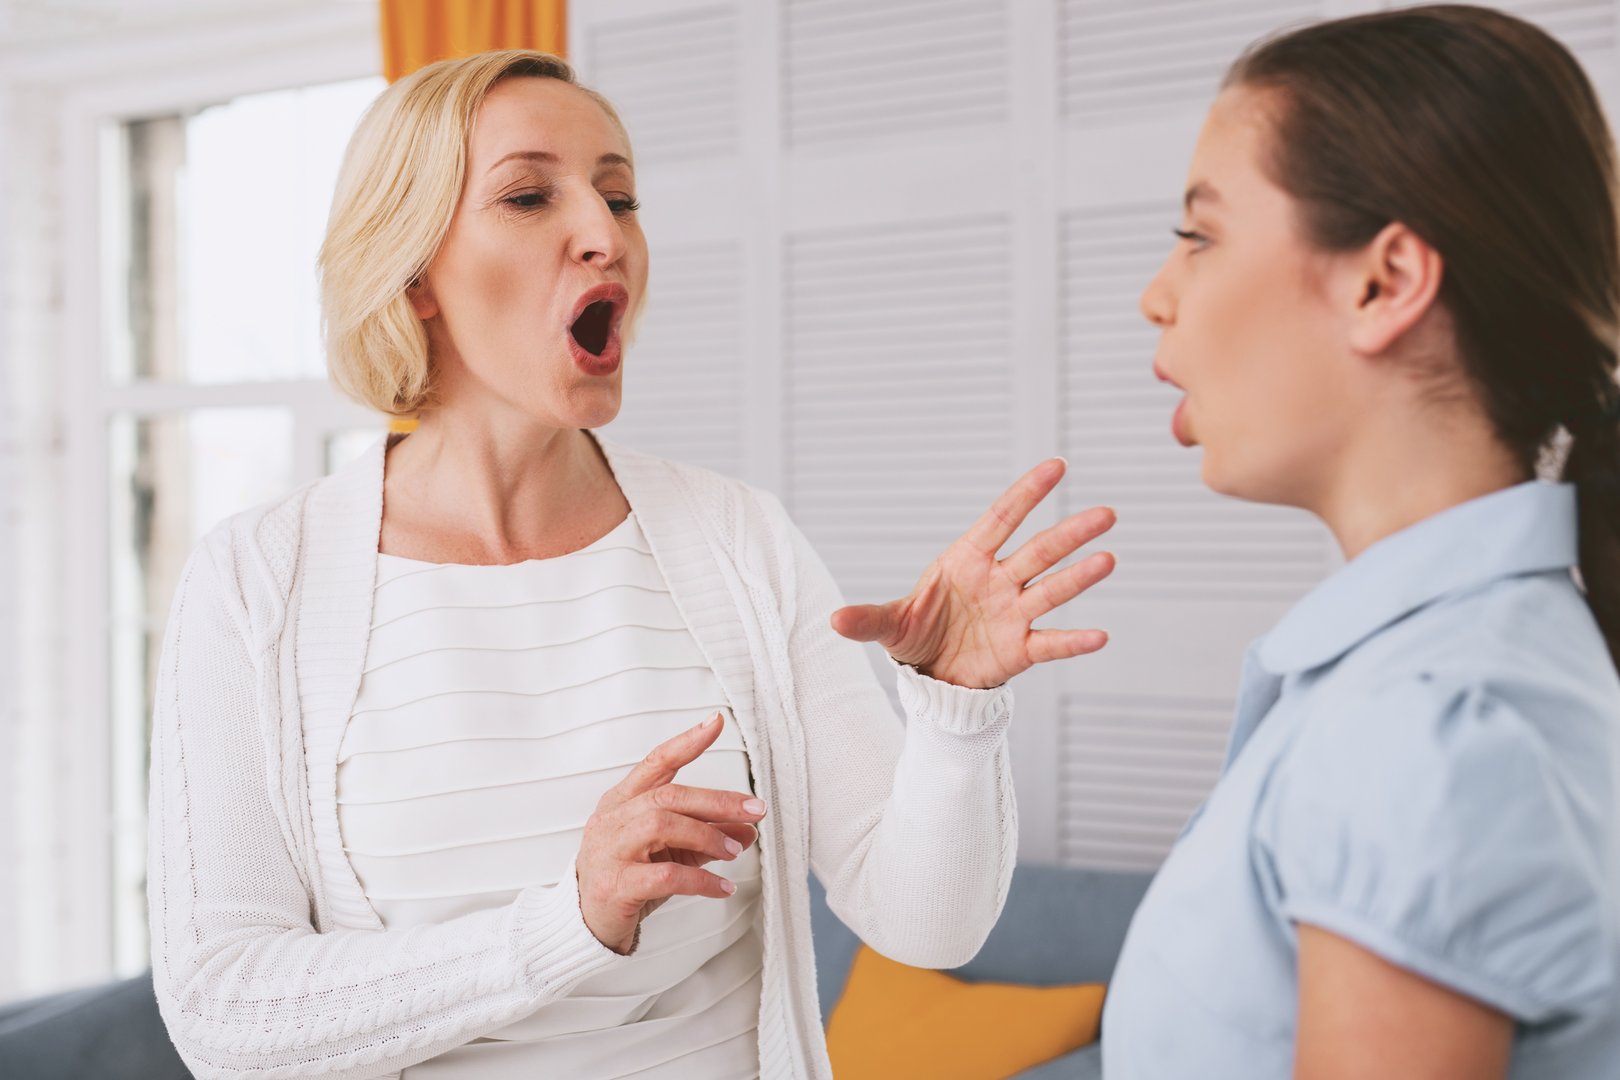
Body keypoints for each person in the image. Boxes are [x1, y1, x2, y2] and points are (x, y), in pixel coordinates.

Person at [145, 50, 1118, 1079]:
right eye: (529, 195)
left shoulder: (738, 540)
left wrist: (953, 713)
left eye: (620, 196)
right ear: (414, 271)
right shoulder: (255, 581)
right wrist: (569, 922)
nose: (605, 235)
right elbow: (224, 1011)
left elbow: (929, 927)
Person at [1107, 6, 1620, 1077]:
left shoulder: (1428, 723)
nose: (1157, 296)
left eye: (1200, 236)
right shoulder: (1460, 677)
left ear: (1384, 282)